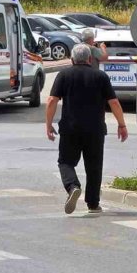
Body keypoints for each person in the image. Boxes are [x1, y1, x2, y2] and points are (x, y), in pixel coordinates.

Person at [45, 43, 128, 215]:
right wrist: (122, 124)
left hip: (70, 128)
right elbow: (114, 102)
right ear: (90, 59)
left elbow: (52, 100)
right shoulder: (100, 76)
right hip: (95, 129)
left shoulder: (64, 75)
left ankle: (72, 186)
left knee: (65, 162)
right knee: (94, 166)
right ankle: (93, 204)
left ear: (72, 59)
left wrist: (48, 124)